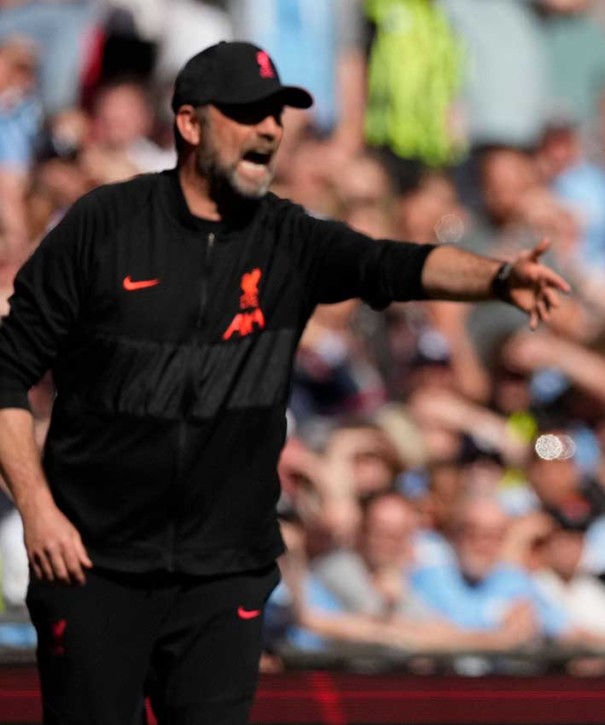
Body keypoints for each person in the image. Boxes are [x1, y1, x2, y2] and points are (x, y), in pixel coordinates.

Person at [0, 41, 569, 725]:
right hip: (93, 566)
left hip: (225, 572)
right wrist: (37, 510)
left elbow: (395, 263)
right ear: (188, 122)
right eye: (248, 112)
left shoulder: (288, 239)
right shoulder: (104, 226)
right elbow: (5, 370)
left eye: (278, 113)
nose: (271, 128)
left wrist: (500, 278)